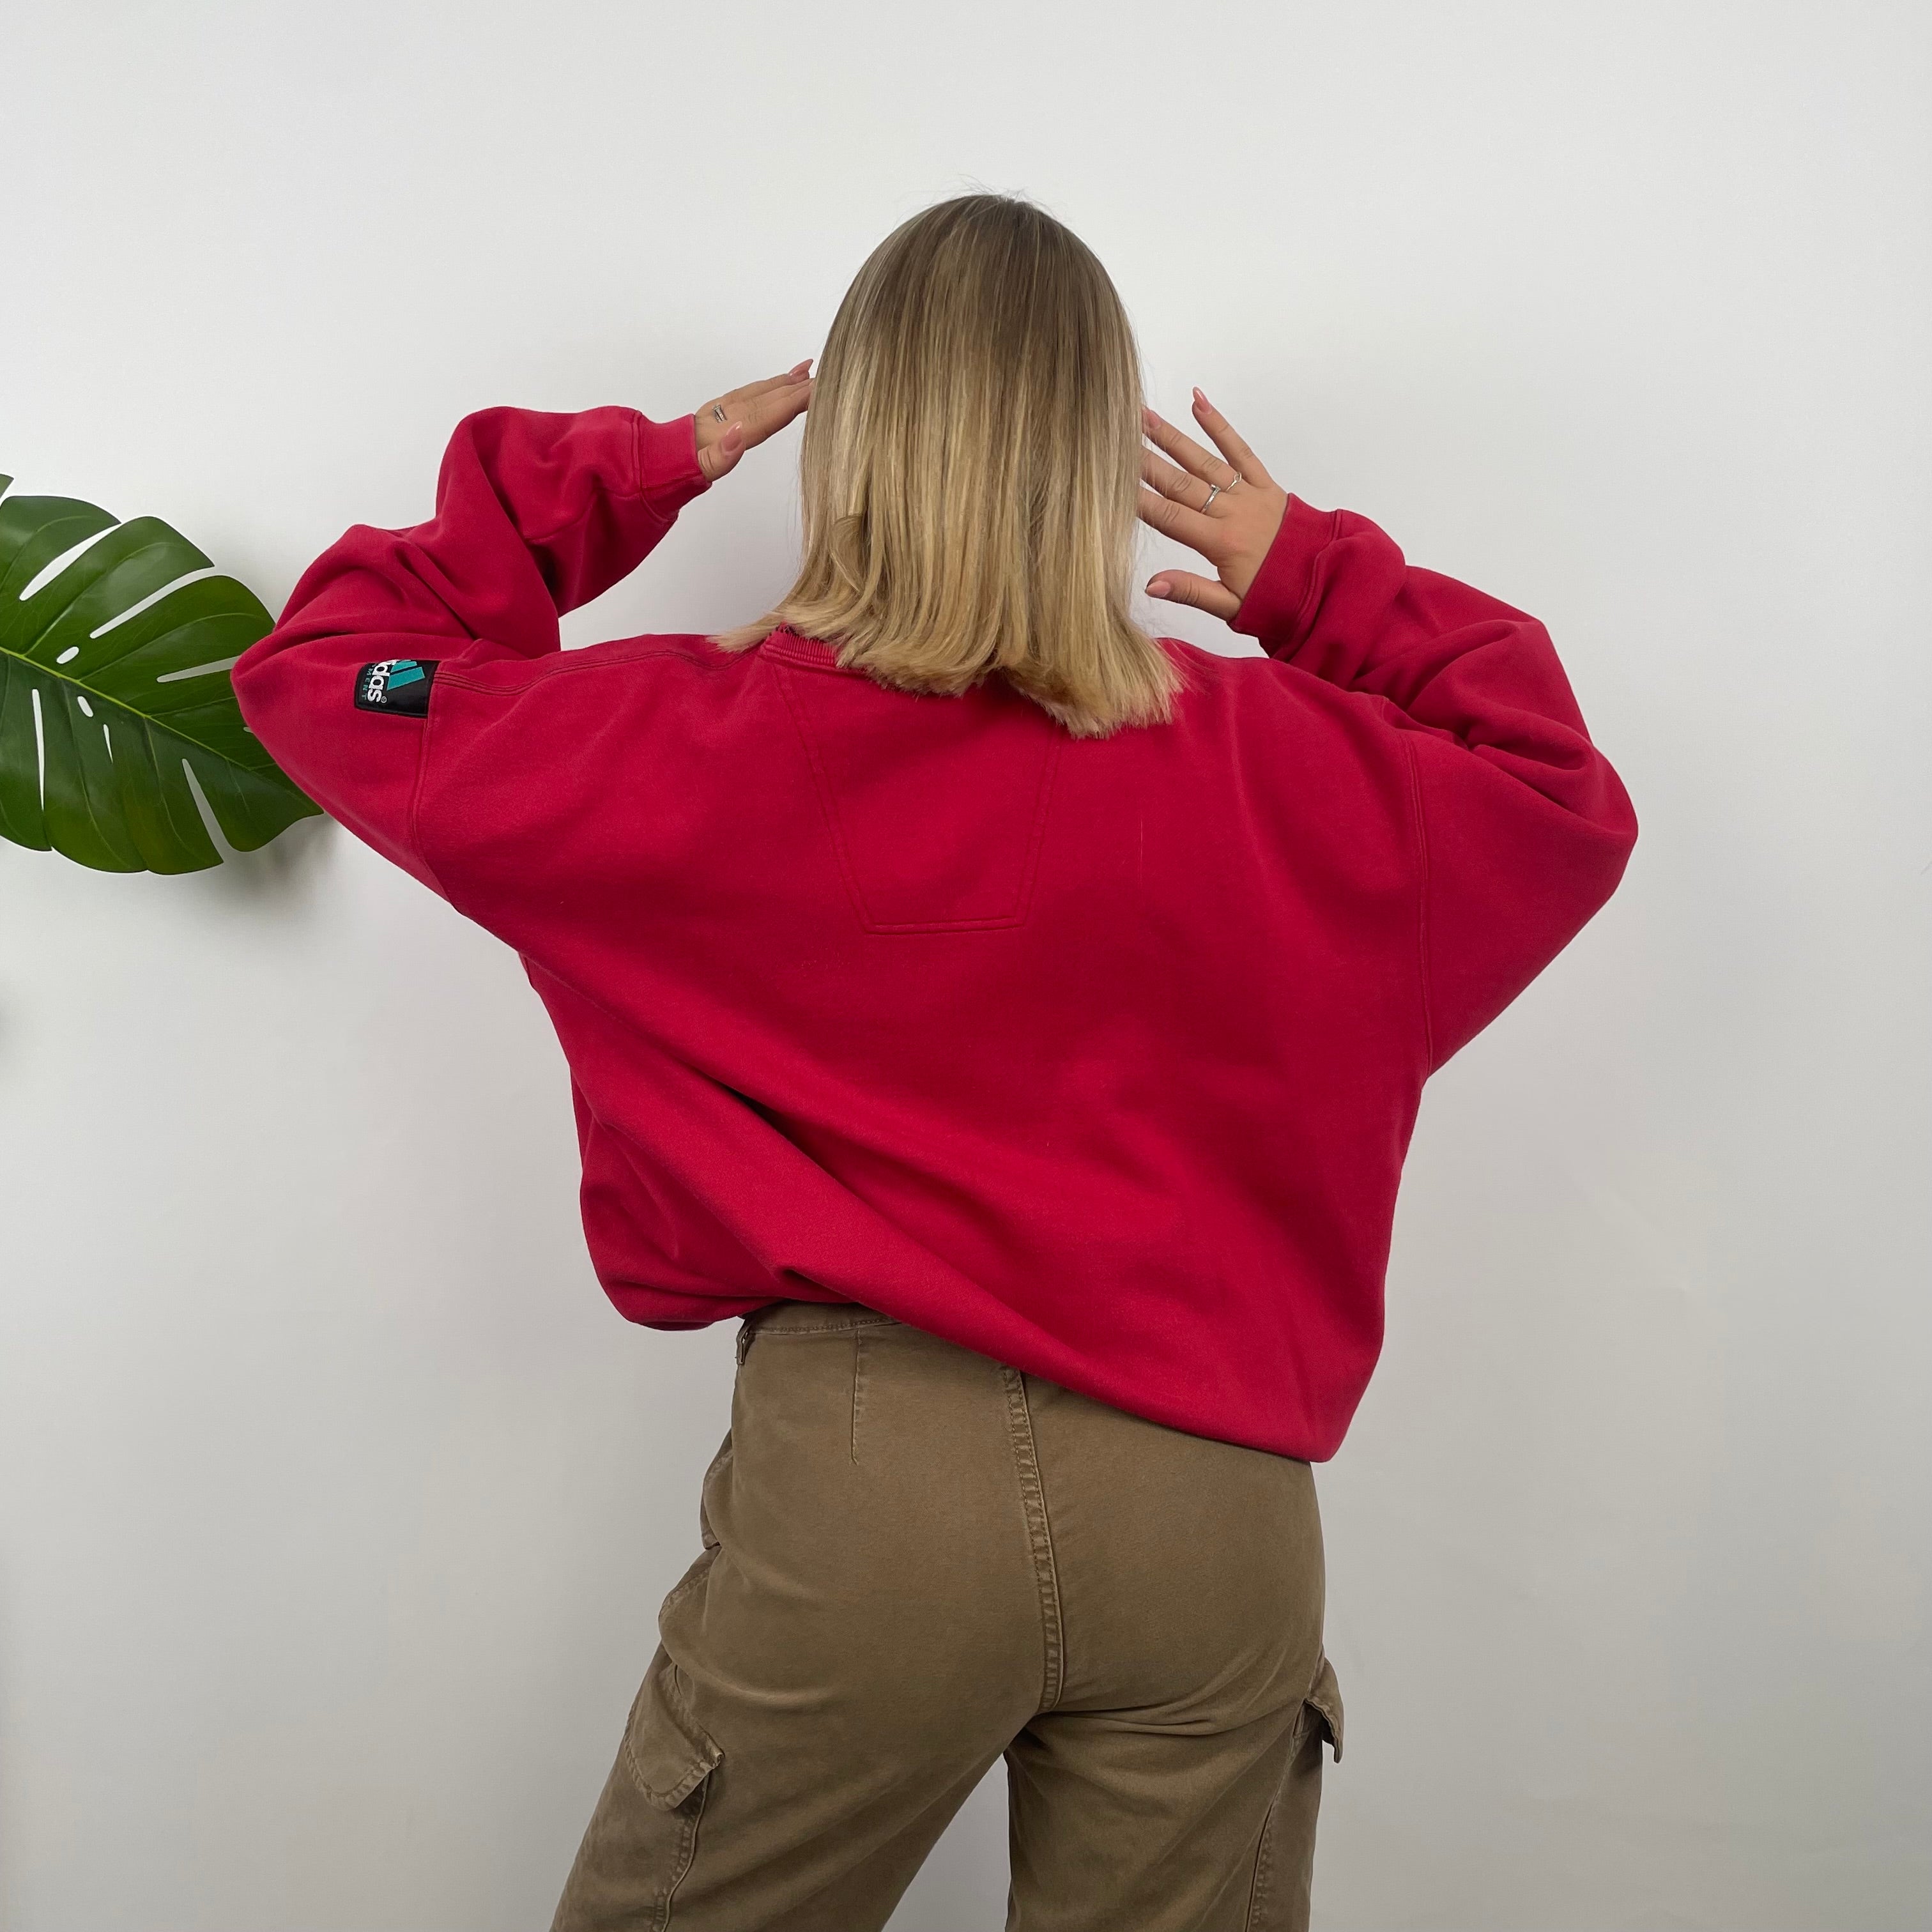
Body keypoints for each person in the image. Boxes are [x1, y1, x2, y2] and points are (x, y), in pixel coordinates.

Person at [232, 192, 1637, 1931]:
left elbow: (324, 673)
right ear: (1082, 451)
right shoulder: (1280, 767)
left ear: (860, 440)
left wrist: (640, 465)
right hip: (1215, 1510)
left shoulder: (679, 748)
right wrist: (1309, 574)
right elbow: (1554, 789)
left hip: (870, 1497)